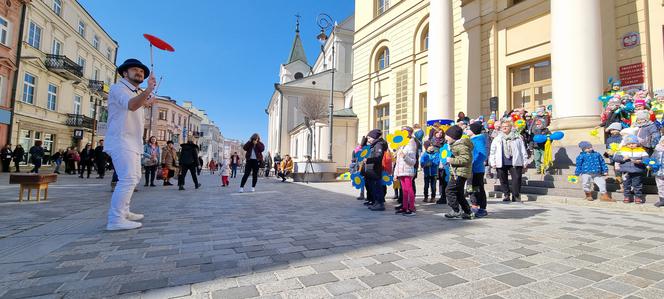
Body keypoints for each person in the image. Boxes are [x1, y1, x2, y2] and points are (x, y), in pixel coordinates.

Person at [104, 58, 157, 231]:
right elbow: (131, 106)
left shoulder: (134, 92)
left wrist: (146, 100)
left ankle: (124, 211)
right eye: (135, 70)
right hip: (121, 139)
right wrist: (148, 90)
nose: (139, 73)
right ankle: (116, 219)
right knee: (127, 178)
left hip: (132, 142)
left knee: (134, 177)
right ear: (125, 73)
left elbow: (137, 104)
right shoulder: (118, 88)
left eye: (141, 71)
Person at [489, 121, 528, 202]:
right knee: (503, 179)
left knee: (517, 179)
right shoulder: (497, 138)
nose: (504, 128)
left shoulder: (517, 138)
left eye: (506, 126)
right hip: (501, 161)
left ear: (511, 127)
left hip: (515, 161)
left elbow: (522, 150)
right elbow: (492, 151)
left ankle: (516, 195)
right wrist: (492, 162)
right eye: (502, 126)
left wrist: (525, 161)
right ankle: (506, 194)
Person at [442, 125, 474, 219]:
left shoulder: (461, 146)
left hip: (460, 173)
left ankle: (456, 210)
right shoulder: (454, 145)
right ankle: (468, 212)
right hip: (457, 172)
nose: (445, 137)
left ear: (453, 136)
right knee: (459, 193)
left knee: (449, 190)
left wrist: (451, 160)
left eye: (447, 135)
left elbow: (466, 159)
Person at [614, 135, 649, 204]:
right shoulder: (622, 150)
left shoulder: (641, 150)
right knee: (626, 184)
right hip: (626, 171)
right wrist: (623, 158)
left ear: (637, 143)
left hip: (637, 170)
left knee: (637, 185)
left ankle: (638, 197)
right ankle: (626, 196)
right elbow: (615, 158)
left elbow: (646, 160)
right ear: (626, 144)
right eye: (629, 144)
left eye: (633, 143)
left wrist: (640, 161)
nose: (631, 145)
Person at [362, 129, 388, 211]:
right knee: (374, 187)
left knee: (377, 187)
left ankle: (380, 204)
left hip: (375, 170)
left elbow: (378, 157)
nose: (368, 140)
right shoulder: (374, 145)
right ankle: (376, 202)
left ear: (374, 137)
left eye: (369, 138)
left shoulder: (378, 145)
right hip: (371, 170)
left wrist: (368, 160)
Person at [394, 126, 418, 216]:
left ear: (409, 133)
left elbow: (413, 161)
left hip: (407, 170)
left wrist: (404, 156)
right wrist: (395, 173)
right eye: (402, 131)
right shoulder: (401, 144)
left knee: (409, 189)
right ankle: (404, 207)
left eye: (405, 132)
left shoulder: (411, 143)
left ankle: (411, 208)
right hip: (401, 171)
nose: (403, 133)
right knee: (404, 190)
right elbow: (397, 161)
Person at [468, 121, 489, 217]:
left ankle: (483, 208)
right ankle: (474, 205)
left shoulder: (478, 140)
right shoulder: (472, 139)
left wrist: (473, 163)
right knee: (471, 188)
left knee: (479, 188)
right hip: (470, 169)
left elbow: (482, 155)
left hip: (477, 169)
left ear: (473, 131)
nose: (466, 130)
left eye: (468, 129)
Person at [652, 137, 664, 207]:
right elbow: (653, 159)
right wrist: (650, 164)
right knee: (660, 185)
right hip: (659, 171)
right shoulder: (657, 150)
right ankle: (662, 199)